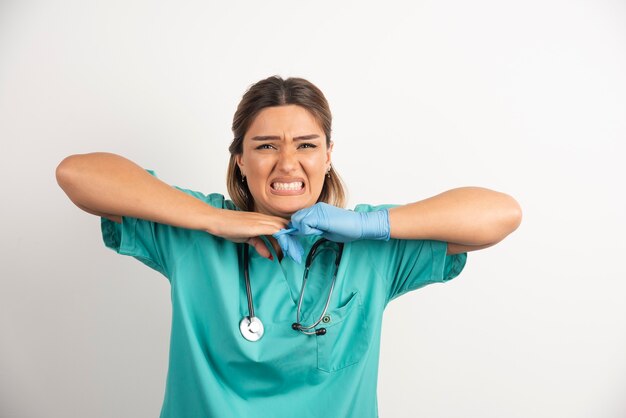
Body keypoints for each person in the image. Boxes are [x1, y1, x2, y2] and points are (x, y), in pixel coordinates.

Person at [56, 75, 522, 418]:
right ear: (239, 159)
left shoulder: (372, 247)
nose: (287, 163)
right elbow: (77, 174)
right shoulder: (190, 231)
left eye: (306, 145)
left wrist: (371, 225)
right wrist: (216, 220)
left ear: (328, 155)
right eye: (264, 146)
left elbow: (501, 214)